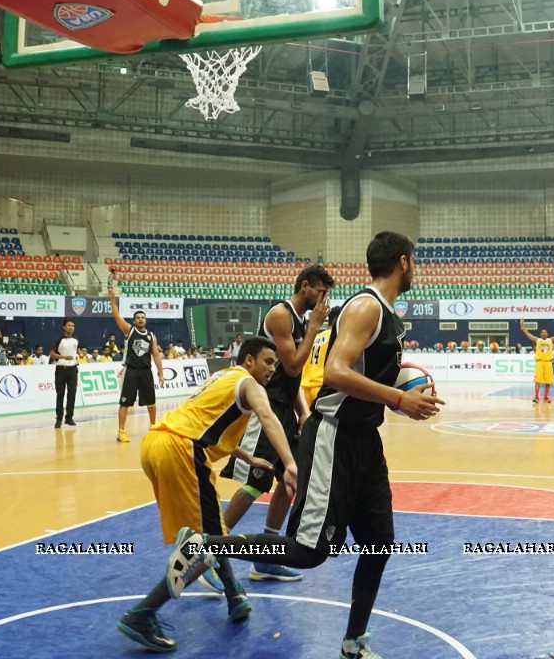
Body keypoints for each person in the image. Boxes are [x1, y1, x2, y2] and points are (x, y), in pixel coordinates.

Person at [147, 231, 443, 659]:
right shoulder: (366, 307)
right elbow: (337, 373)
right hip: (334, 438)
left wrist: (392, 389)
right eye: (413, 260)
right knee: (309, 551)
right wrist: (400, 397)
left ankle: (353, 644)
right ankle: (205, 546)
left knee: (379, 543)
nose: (415, 267)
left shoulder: (386, 314)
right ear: (403, 261)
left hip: (364, 441)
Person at [116, 337, 295, 651]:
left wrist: (246, 457)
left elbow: (200, 420)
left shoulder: (221, 377)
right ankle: (142, 614)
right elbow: (269, 418)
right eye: (268, 361)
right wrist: (290, 463)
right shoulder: (249, 384)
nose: (273, 368)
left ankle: (234, 593)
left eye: (275, 364)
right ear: (249, 360)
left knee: (213, 533)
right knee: (202, 544)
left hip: (157, 444)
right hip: (182, 450)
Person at [217, 264, 334, 586]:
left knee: (289, 481)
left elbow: (291, 380)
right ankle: (211, 554)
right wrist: (314, 327)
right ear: (306, 286)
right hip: (264, 407)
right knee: (257, 482)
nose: (324, 300)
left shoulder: (300, 321)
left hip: (285, 407)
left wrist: (303, 414)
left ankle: (264, 558)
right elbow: (294, 367)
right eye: (321, 292)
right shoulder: (281, 315)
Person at [109, 284, 165, 443]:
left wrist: (161, 373)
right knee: (125, 402)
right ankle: (121, 431)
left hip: (146, 371)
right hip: (131, 371)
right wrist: (113, 300)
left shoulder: (151, 336)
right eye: (138, 317)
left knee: (151, 402)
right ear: (134, 321)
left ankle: (153, 426)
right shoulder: (129, 330)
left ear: (146, 320)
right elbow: (116, 316)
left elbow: (156, 355)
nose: (141, 319)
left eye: (143, 317)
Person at [519, 318, 554, 404]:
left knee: (548, 381)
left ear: (547, 333)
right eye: (542, 332)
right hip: (539, 362)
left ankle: (546, 397)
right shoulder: (537, 340)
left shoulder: (550, 340)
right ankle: (536, 397)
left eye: (545, 332)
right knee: (537, 381)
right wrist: (522, 325)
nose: (543, 333)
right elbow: (527, 333)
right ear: (540, 333)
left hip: (548, 363)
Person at [299, 307, 341, 408]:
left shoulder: (314, 338)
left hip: (307, 388)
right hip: (322, 387)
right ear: (337, 321)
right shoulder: (336, 339)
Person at [49, 318, 79, 428]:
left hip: (72, 370)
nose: (71, 327)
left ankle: (69, 417)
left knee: (72, 394)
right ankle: (59, 418)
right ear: (64, 327)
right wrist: (64, 357)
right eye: (69, 325)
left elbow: (75, 352)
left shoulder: (75, 340)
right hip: (61, 369)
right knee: (60, 394)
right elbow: (52, 353)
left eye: (73, 326)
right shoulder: (59, 339)